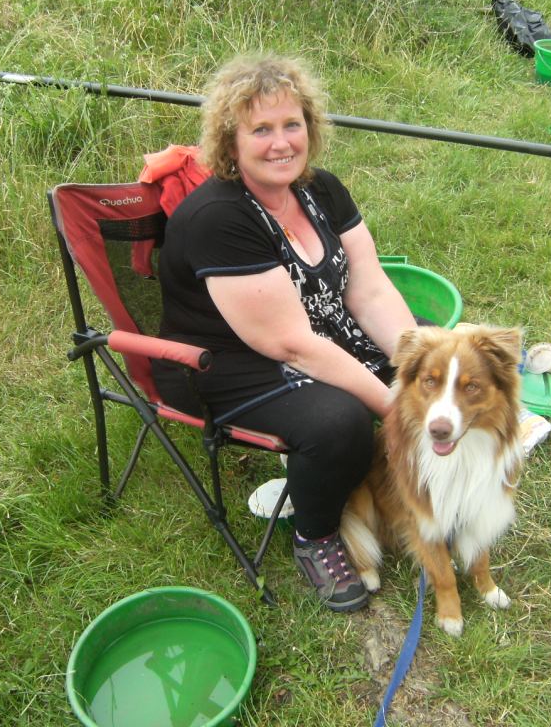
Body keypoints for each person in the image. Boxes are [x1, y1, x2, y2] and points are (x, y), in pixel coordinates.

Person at [152, 54, 417, 612]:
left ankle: (427, 477)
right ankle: (316, 535)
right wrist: (396, 407)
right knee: (340, 419)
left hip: (320, 333)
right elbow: (290, 345)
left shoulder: (322, 190)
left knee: (441, 361)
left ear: (311, 129)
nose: (280, 143)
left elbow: (369, 292)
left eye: (291, 125)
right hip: (221, 364)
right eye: (261, 129)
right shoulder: (219, 218)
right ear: (230, 143)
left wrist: (419, 366)